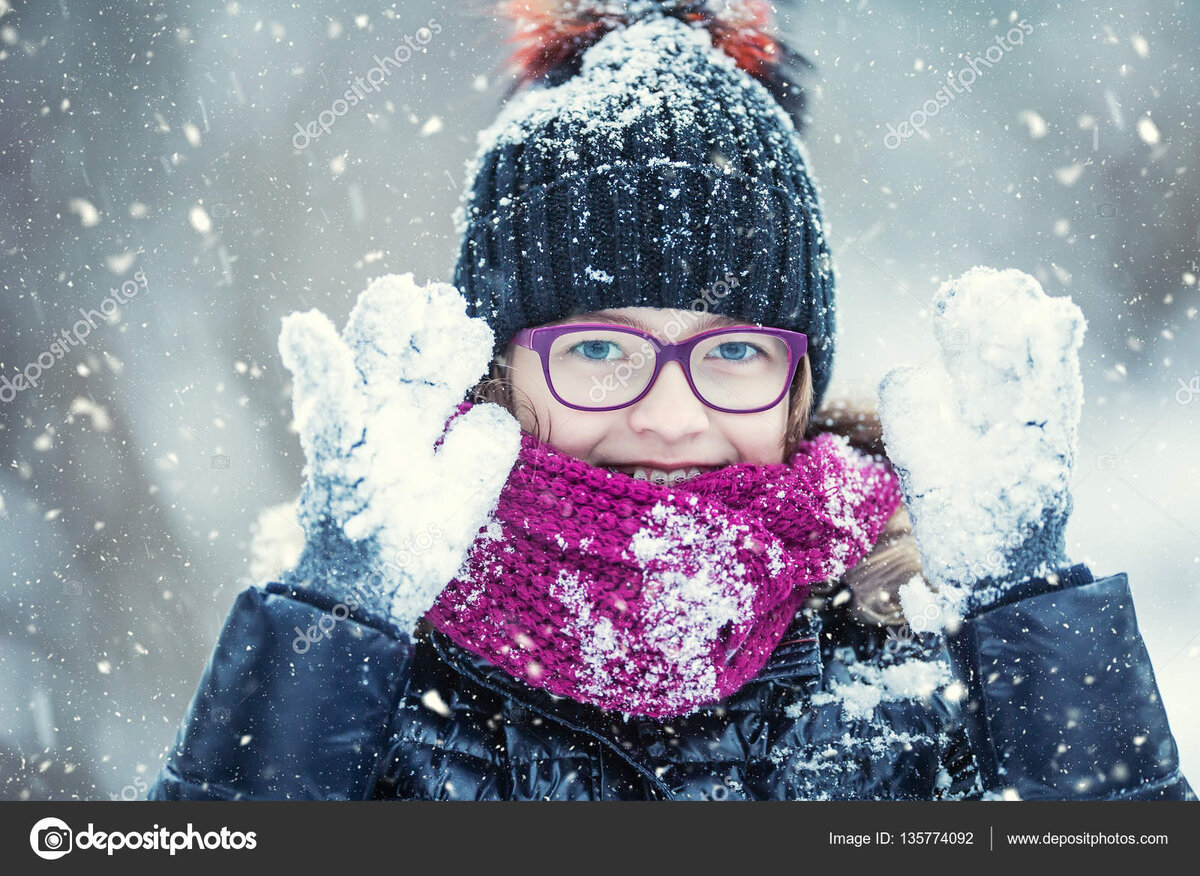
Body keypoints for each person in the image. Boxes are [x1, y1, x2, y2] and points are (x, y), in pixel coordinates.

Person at [147, 2, 1192, 801]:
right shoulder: (369, 680)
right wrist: (331, 632)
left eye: (734, 351)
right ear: (496, 372)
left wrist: (1031, 624)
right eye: (601, 346)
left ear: (801, 383)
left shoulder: (926, 667)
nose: (670, 416)